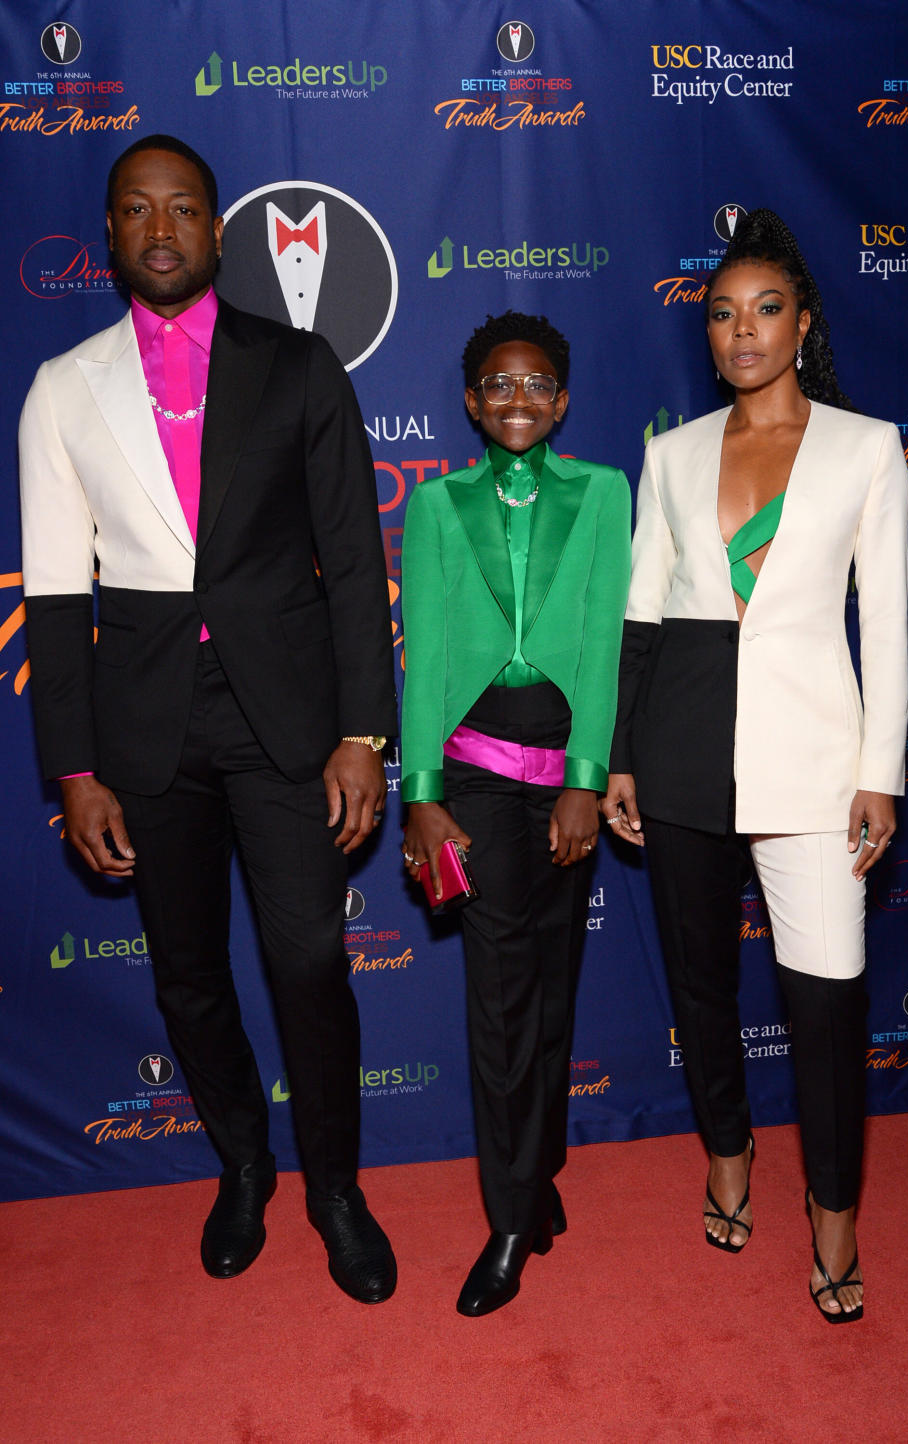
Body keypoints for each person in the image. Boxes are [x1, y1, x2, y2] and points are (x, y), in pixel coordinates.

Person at [19, 134, 399, 1304]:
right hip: (147, 730)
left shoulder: (296, 365)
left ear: (219, 230)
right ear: (113, 234)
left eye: (184, 206)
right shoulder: (61, 387)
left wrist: (363, 735)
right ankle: (244, 1163)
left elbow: (349, 553)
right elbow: (52, 591)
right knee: (185, 972)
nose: (163, 226)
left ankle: (335, 1184)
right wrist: (73, 769)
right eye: (139, 210)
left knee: (309, 960)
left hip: (285, 714)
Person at [604, 209, 908, 1323]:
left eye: (765, 309)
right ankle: (727, 1155)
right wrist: (623, 755)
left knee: (827, 1004)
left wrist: (882, 769)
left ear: (802, 321)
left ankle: (835, 1214)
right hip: (682, 751)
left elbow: (889, 623)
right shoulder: (671, 453)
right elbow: (641, 615)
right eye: (722, 313)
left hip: (818, 768)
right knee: (703, 986)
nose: (742, 331)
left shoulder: (868, 447)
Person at [400, 311, 631, 1315]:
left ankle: (538, 1175)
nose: (518, 398)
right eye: (498, 383)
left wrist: (588, 774)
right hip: (480, 775)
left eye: (538, 383)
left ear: (564, 398)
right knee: (500, 995)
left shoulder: (606, 493)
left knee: (554, 980)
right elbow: (425, 663)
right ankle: (506, 1217)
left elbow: (604, 638)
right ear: (470, 399)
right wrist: (421, 793)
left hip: (565, 773)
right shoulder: (438, 504)